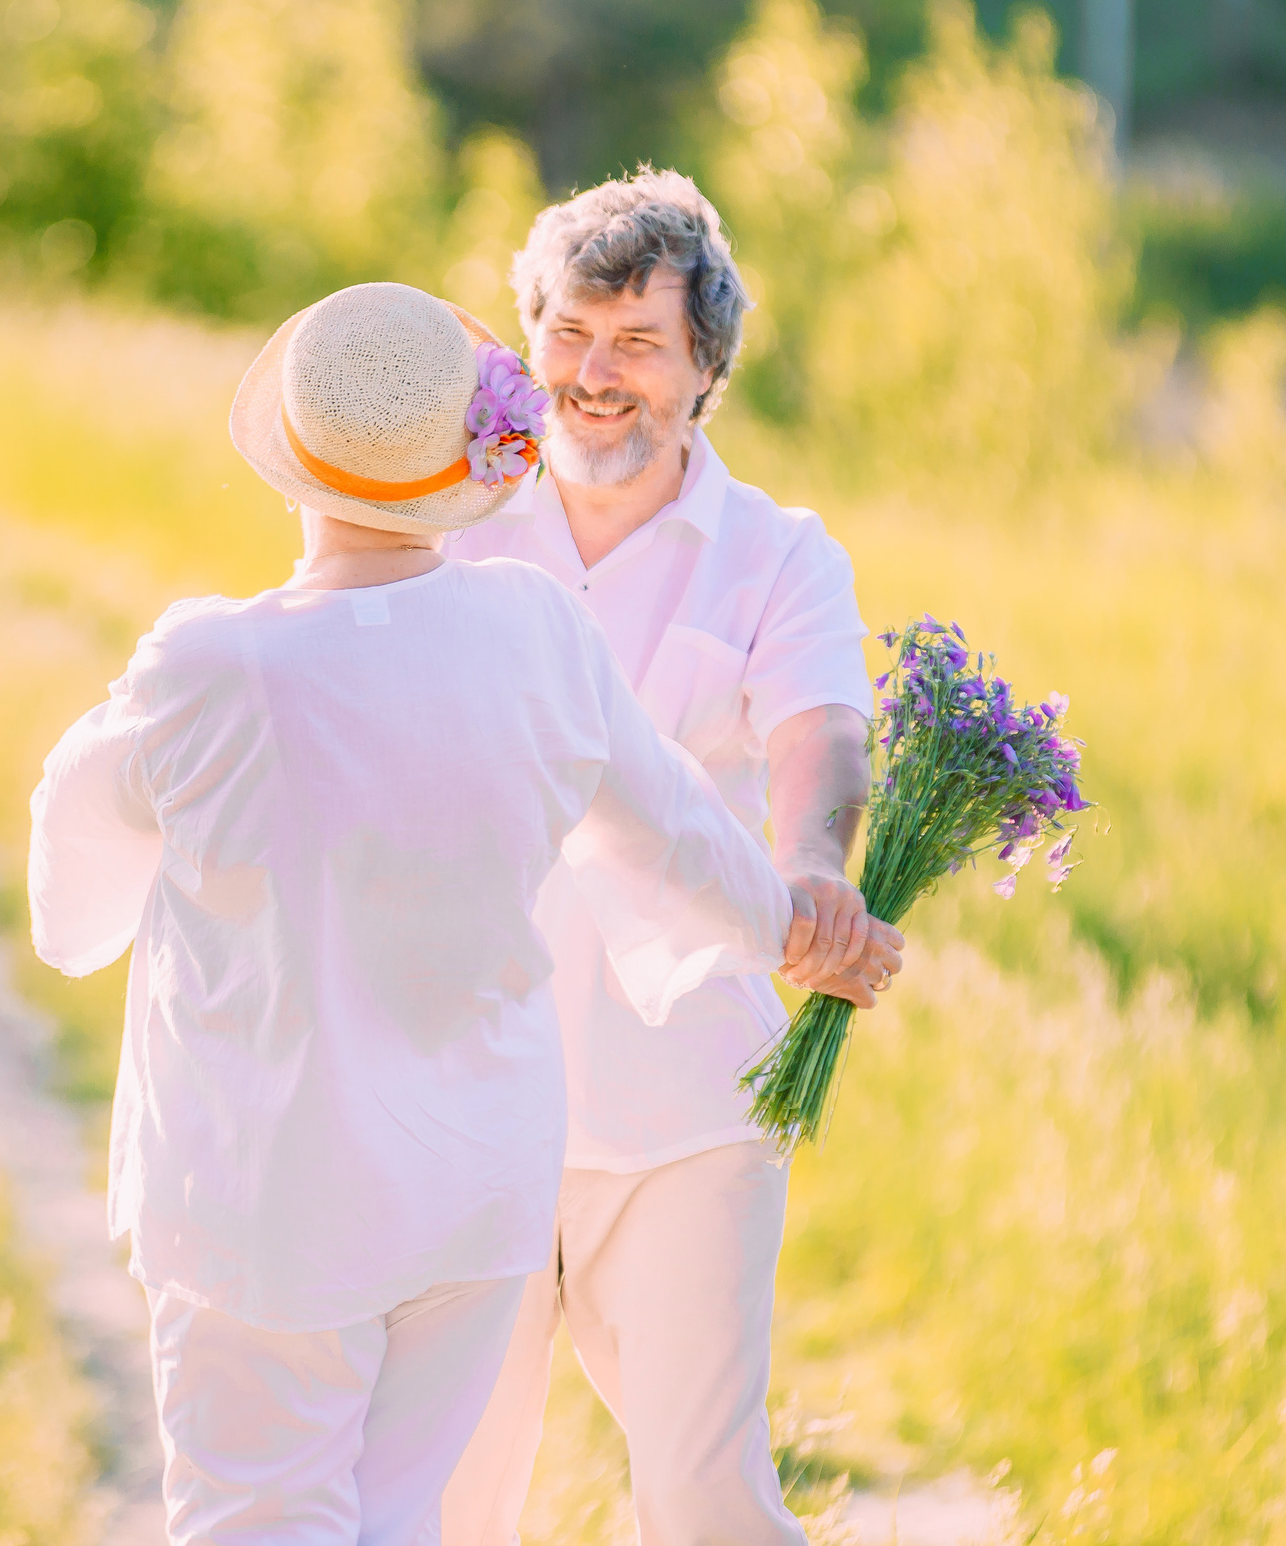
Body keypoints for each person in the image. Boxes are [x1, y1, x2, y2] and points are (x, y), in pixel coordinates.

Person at [28, 280, 894, 1546]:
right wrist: (798, 928)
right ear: (470, 460)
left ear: (291, 466)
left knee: (254, 1516)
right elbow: (677, 833)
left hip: (265, 1193)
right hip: (470, 1192)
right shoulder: (533, 633)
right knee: (404, 1522)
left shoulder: (211, 667)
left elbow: (70, 885)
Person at [442, 170, 898, 1546]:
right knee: (452, 1499)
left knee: (706, 1496)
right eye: (572, 335)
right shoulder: (452, 518)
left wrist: (813, 870)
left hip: (686, 1102)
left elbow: (822, 732)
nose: (594, 375)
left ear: (705, 369)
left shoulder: (776, 556)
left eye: (637, 344)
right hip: (467, 1086)